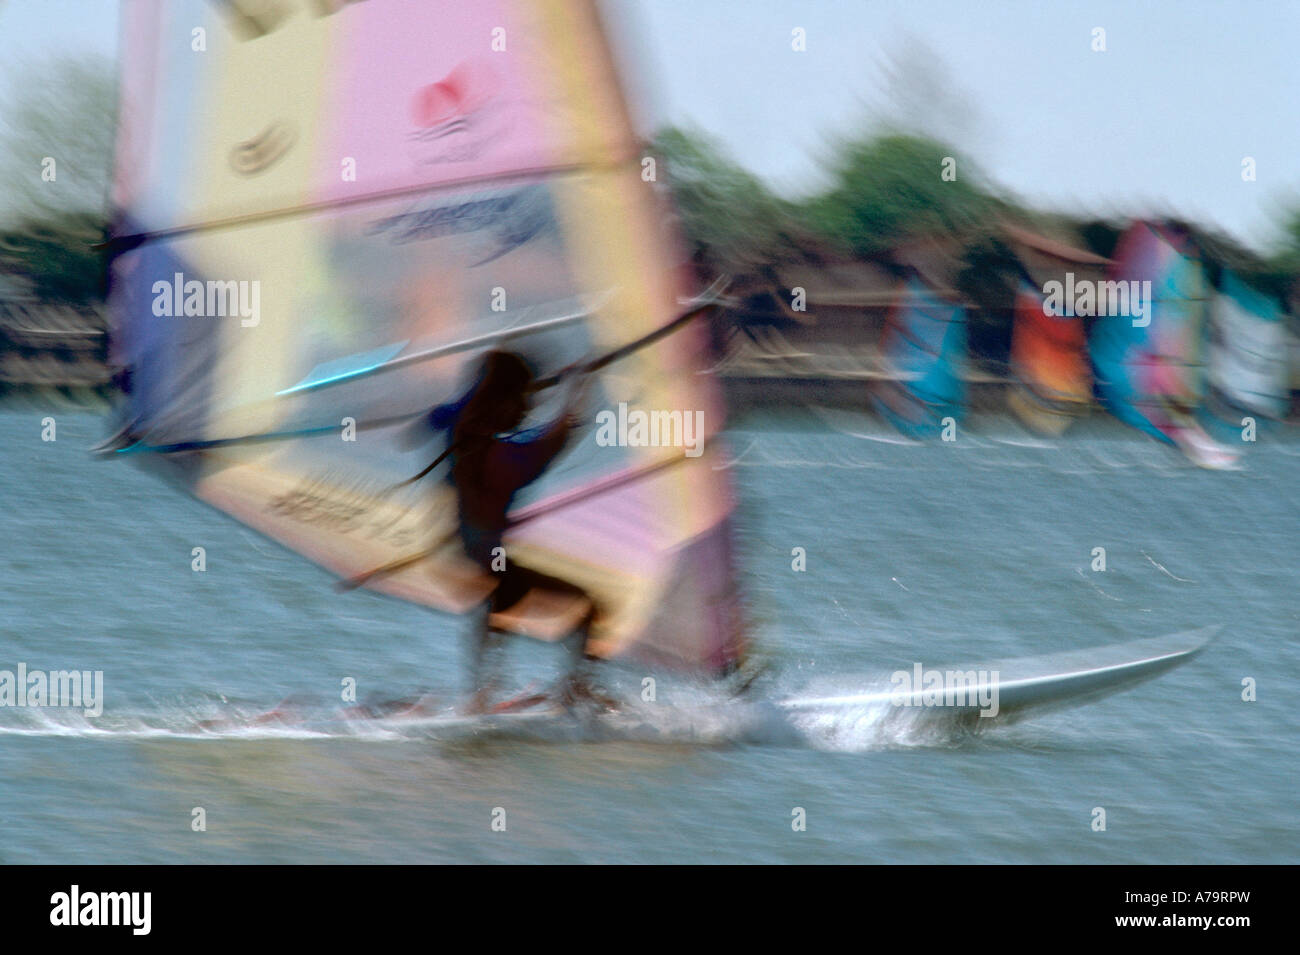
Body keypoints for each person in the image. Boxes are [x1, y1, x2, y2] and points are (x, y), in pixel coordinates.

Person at [428, 349, 612, 713]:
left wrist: (562, 387)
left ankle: (481, 693)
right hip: (481, 552)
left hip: (470, 547)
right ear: (502, 399)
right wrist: (579, 387)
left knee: (506, 598)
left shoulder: (461, 429)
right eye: (525, 401)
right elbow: (554, 440)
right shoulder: (498, 455)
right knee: (588, 604)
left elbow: (442, 417)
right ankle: (571, 690)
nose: (529, 408)